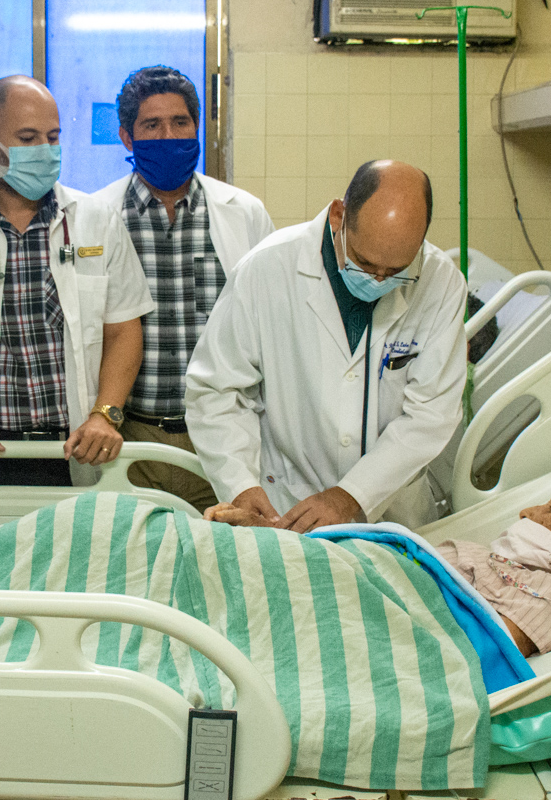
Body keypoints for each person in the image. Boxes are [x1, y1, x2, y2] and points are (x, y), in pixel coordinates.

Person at [0, 75, 154, 507]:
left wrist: (105, 415)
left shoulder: (97, 221)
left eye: (53, 137)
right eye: (28, 138)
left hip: (77, 447)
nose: (45, 150)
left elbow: (124, 330)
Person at [186, 159, 466, 532]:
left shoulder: (442, 282)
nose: (378, 279)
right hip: (286, 503)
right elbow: (215, 390)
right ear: (338, 216)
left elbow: (431, 414)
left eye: (396, 271)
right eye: (364, 263)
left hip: (391, 510)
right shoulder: (267, 268)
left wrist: (352, 495)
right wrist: (240, 485)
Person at [207, 475, 551, 656]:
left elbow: (468, 649)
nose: (527, 511)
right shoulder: (499, 563)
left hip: (356, 612)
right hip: (347, 577)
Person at [92, 66, 274, 512]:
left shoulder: (244, 212)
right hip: (128, 435)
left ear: (197, 128)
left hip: (222, 440)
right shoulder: (95, 217)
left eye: (180, 122)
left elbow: (272, 321)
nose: (168, 135)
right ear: (127, 137)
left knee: (225, 549)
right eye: (152, 125)